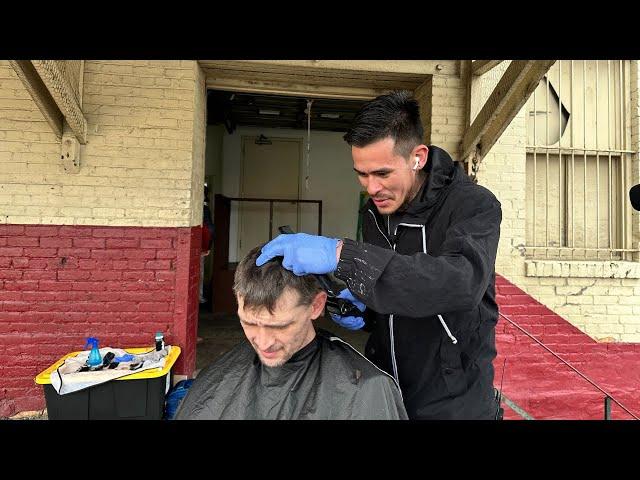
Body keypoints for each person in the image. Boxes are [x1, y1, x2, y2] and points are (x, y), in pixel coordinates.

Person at [256, 91, 503, 420]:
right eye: (362, 173)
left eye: (383, 174)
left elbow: (460, 282)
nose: (371, 188)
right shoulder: (375, 211)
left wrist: (343, 254)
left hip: (453, 399)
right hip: (385, 387)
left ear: (417, 157)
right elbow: (396, 285)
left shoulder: (473, 205)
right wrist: (367, 309)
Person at [174, 245, 407, 420]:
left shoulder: (367, 389)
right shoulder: (218, 377)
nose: (264, 343)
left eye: (280, 326)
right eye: (250, 324)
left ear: (316, 306)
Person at [199, 183, 214, 305]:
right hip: (200, 246)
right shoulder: (204, 209)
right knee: (200, 273)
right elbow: (210, 229)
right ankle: (199, 296)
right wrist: (207, 247)